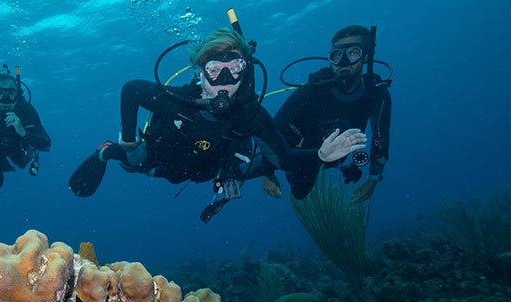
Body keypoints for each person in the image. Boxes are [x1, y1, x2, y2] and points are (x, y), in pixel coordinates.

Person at [68, 27, 367, 222]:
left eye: (234, 69)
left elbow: (283, 157)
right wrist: (131, 142)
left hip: (211, 170)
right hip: (158, 159)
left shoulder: (250, 115)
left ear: (245, 73)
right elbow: (131, 89)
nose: (224, 82)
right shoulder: (177, 100)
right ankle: (107, 151)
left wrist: (319, 156)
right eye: (214, 71)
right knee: (132, 163)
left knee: (253, 163)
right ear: (200, 74)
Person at [261, 25, 392, 202]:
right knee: (299, 192)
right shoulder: (313, 91)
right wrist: (267, 173)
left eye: (353, 53)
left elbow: (381, 138)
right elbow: (274, 130)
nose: (344, 62)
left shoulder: (376, 93)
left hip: (339, 155)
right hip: (305, 151)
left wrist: (373, 179)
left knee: (333, 164)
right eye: (337, 55)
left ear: (366, 57)